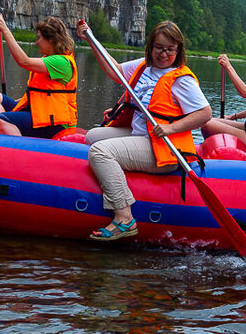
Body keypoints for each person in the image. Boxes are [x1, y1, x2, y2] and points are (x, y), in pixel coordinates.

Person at [75, 18, 212, 242]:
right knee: (93, 136)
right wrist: (92, 41)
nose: (164, 54)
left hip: (164, 149)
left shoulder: (182, 80)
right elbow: (115, 70)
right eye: (159, 48)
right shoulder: (144, 67)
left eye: (170, 49)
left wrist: (171, 128)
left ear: (178, 50)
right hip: (143, 135)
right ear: (151, 47)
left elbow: (205, 114)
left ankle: (124, 217)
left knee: (99, 152)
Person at [0, 14, 77, 137]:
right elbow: (41, 93)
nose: (36, 42)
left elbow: (24, 61)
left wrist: (5, 29)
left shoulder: (61, 62)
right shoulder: (48, 59)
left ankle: (18, 148)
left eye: (39, 38)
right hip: (39, 111)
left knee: (3, 119)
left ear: (51, 39)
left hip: (55, 123)